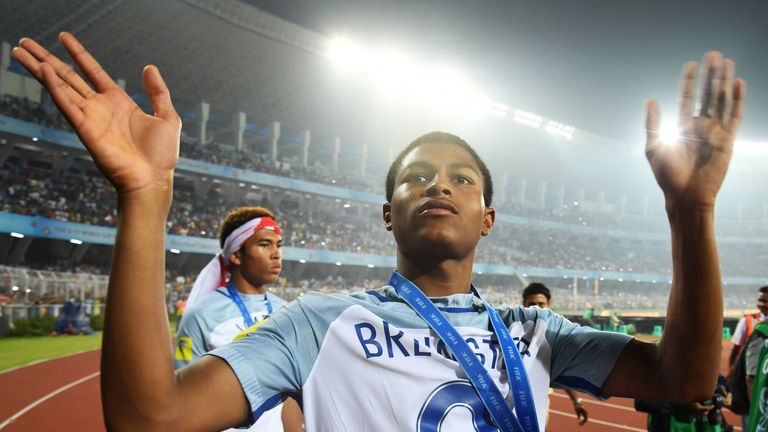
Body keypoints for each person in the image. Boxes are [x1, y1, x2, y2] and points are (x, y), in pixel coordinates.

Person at [11, 32, 744, 431]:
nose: (438, 184)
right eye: (415, 176)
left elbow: (684, 379)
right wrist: (145, 197)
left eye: (462, 178)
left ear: (488, 220)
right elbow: (148, 420)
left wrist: (693, 213)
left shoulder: (537, 333)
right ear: (387, 212)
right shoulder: (317, 323)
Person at [174, 206, 302, 431]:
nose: (276, 253)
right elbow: (182, 398)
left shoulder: (286, 310)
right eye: (264, 244)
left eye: (278, 245)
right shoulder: (201, 315)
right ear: (235, 255)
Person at [521, 282, 589, 425]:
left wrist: (576, 401)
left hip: (540, 401)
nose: (536, 308)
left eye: (541, 304)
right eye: (532, 303)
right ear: (524, 304)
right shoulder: (511, 332)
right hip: (509, 400)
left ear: (548, 305)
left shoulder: (555, 339)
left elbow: (560, 371)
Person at [729, 286, 768, 367]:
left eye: (765, 301)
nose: (761, 304)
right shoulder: (747, 320)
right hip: (752, 369)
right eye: (759, 300)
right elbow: (737, 348)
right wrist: (731, 368)